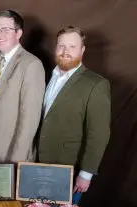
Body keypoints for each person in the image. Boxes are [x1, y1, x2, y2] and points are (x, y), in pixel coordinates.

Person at [37, 26, 111, 197]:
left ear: (82, 50)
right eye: (61, 46)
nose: (65, 51)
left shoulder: (96, 84)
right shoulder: (49, 77)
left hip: (68, 168)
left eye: (72, 46)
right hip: (38, 165)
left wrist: (86, 174)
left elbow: (99, 133)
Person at [0, 10, 45, 163]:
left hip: (13, 153)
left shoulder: (31, 64)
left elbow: (29, 121)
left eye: (6, 29)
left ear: (18, 33)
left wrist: (15, 162)